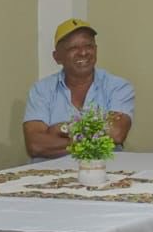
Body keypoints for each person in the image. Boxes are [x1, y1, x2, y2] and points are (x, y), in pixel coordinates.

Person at [24, 18, 135, 162]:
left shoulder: (118, 87)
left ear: (96, 49)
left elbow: (117, 133)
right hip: (50, 172)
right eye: (73, 48)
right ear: (57, 57)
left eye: (89, 46)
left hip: (105, 171)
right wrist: (96, 139)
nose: (83, 52)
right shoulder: (41, 90)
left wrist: (62, 128)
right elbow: (35, 145)